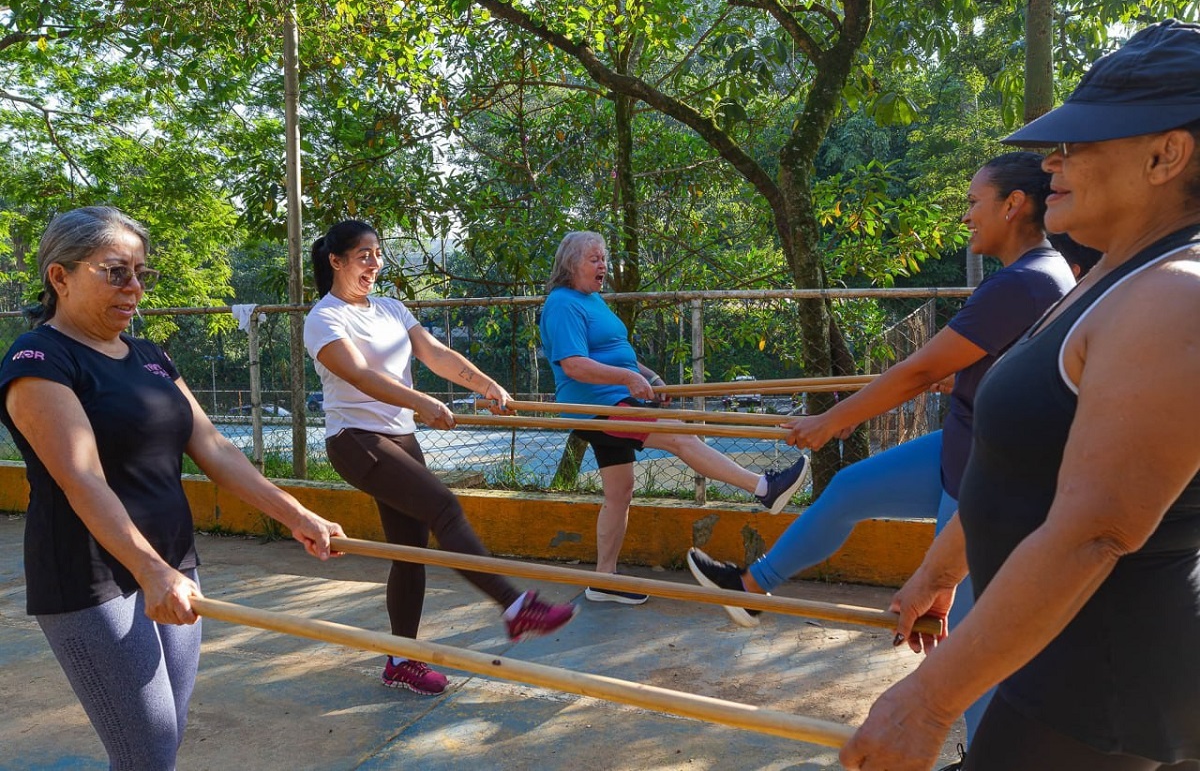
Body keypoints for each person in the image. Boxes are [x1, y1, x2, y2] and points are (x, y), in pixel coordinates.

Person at [842, 19, 1200, 771]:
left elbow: (1094, 529)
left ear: (1167, 153)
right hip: (1057, 663)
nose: (1051, 165)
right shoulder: (1109, 273)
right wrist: (942, 571)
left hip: (1107, 696)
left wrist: (927, 699)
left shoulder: (1176, 296)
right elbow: (1024, 464)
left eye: (1077, 144)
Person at [686, 152, 1080, 743]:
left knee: (966, 637)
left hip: (984, 471)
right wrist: (966, 373)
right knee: (848, 488)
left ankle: (984, 752)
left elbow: (919, 371)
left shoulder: (1026, 280)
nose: (967, 215)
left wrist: (831, 422)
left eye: (975, 202)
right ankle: (752, 588)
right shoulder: (1038, 274)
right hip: (962, 440)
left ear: (1013, 204)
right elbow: (986, 362)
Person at [0, 206, 345, 771]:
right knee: (148, 751)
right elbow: (81, 476)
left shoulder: (150, 355)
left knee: (162, 741)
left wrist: (295, 513)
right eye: (115, 271)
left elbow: (214, 448)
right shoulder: (40, 360)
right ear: (59, 277)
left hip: (172, 562)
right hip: (93, 576)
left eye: (140, 273)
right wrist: (149, 569)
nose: (134, 287)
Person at [304, 220, 578, 696]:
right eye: (364, 255)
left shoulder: (391, 308)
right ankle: (516, 608)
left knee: (410, 556)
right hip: (355, 440)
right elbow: (361, 377)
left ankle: (400, 661)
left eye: (378, 254)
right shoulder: (324, 318)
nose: (374, 264)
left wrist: (485, 384)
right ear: (336, 261)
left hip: (398, 438)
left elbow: (436, 354)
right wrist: (421, 402)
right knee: (444, 508)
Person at [539, 230, 810, 606]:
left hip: (615, 399)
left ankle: (602, 579)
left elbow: (619, 354)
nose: (603, 265)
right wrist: (628, 379)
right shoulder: (563, 304)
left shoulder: (594, 300)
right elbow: (573, 364)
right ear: (571, 265)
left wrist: (649, 377)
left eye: (604, 258)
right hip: (598, 405)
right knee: (679, 434)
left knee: (620, 493)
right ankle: (765, 488)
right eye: (594, 259)